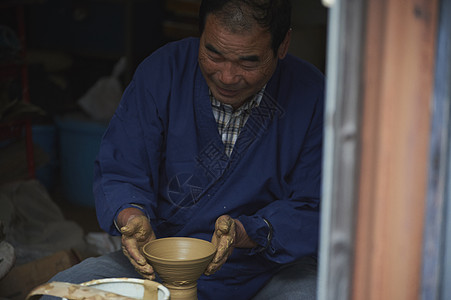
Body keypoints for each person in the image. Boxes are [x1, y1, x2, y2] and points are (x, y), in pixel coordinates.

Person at [46, 0, 324, 299]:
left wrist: (248, 233)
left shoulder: (311, 94)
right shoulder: (163, 71)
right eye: (213, 54)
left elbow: (318, 207)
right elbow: (122, 168)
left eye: (248, 62)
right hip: (159, 266)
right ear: (200, 33)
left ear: (283, 45)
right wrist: (131, 217)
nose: (227, 76)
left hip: (268, 272)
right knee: (62, 292)